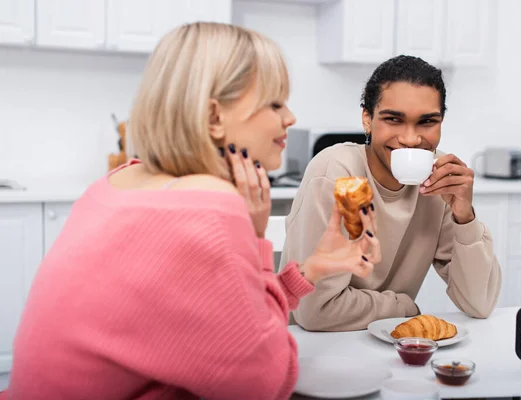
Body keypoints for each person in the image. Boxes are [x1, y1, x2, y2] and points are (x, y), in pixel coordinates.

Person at [1, 22, 381, 400]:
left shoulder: (118, 181)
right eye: (275, 103)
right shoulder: (210, 204)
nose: (290, 118)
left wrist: (312, 268)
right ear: (215, 118)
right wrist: (255, 239)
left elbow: (223, 327)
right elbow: (265, 383)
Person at [280, 55, 502, 332]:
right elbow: (315, 312)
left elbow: (479, 303)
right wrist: (404, 308)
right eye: (394, 119)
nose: (410, 139)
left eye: (427, 122)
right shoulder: (337, 172)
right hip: (316, 346)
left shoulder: (439, 181)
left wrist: (464, 217)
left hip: (388, 345)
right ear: (367, 119)